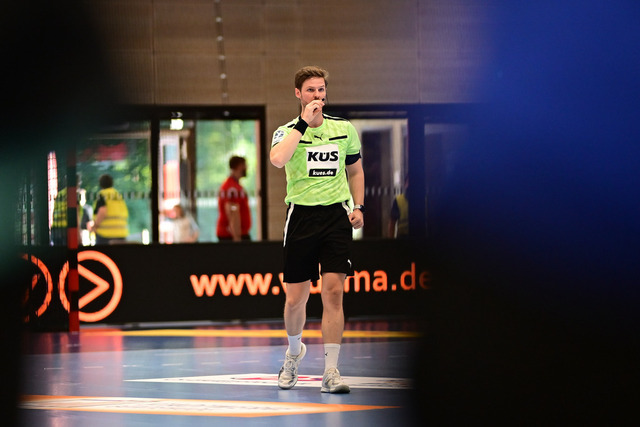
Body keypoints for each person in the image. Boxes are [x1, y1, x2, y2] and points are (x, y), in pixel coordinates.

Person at [270, 65, 365, 394]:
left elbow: (355, 171)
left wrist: (358, 206)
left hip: (336, 217)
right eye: (311, 90)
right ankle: (294, 353)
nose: (317, 95)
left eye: (321, 89)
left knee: (334, 292)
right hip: (301, 218)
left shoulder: (344, 129)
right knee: (295, 299)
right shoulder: (286, 131)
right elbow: (278, 160)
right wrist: (302, 123)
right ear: (298, 94)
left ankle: (331, 371)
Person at [216, 156, 252, 241]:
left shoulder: (235, 186)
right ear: (238, 166)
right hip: (231, 236)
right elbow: (232, 213)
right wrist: (237, 237)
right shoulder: (232, 188)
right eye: (244, 165)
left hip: (237, 234)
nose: (246, 168)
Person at [90, 174, 128, 244]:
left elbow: (102, 211)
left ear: (100, 184)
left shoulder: (102, 194)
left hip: (105, 235)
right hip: (121, 234)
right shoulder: (117, 195)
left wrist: (95, 226)